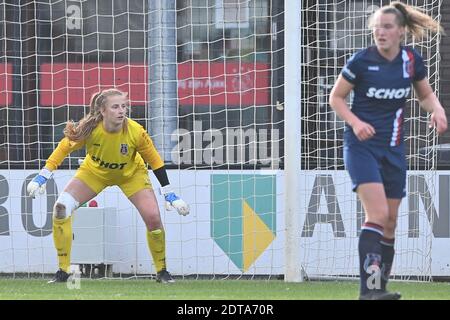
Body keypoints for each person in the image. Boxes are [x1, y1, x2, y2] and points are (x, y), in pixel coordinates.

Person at [329, 2, 447, 300]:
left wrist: (436, 109)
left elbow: (425, 94)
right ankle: (367, 291)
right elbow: (337, 98)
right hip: (362, 148)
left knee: (391, 222)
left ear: (402, 31)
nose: (380, 32)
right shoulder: (360, 61)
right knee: (378, 214)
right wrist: (355, 123)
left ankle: (379, 289)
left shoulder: (410, 60)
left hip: (393, 149)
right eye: (377, 27)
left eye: (387, 27)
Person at [27, 88, 190, 284]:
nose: (121, 111)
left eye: (123, 106)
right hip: (94, 173)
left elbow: (155, 161)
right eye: (115, 107)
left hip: (131, 175)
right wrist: (43, 176)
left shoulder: (136, 132)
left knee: (154, 218)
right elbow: (63, 148)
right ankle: (63, 271)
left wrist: (169, 193)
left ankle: (162, 271)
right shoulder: (89, 129)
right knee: (60, 209)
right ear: (103, 111)